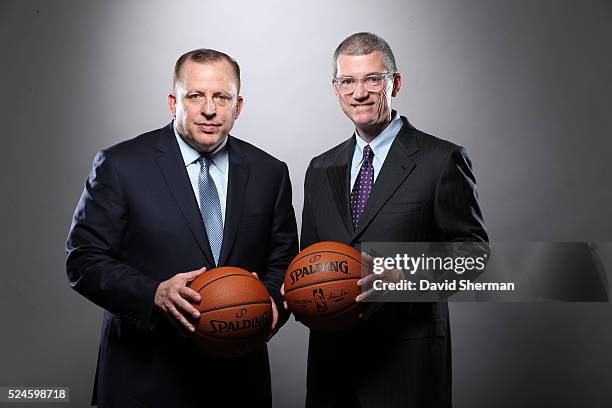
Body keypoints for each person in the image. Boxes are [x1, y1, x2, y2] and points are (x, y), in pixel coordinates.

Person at [66, 48, 298, 408]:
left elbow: (284, 259)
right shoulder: (120, 165)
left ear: (238, 106)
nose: (209, 109)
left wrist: (269, 303)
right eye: (196, 96)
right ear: (174, 102)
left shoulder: (270, 172)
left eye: (222, 96)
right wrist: (153, 293)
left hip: (238, 383)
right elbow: (82, 260)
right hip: (144, 380)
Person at [299, 33, 488, 407]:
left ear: (395, 83)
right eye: (348, 81)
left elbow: (473, 253)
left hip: (406, 364)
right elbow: (310, 258)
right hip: (331, 367)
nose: (360, 92)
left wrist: (406, 278)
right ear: (336, 89)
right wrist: (300, 294)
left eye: (373, 79)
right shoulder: (320, 168)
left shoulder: (441, 160)